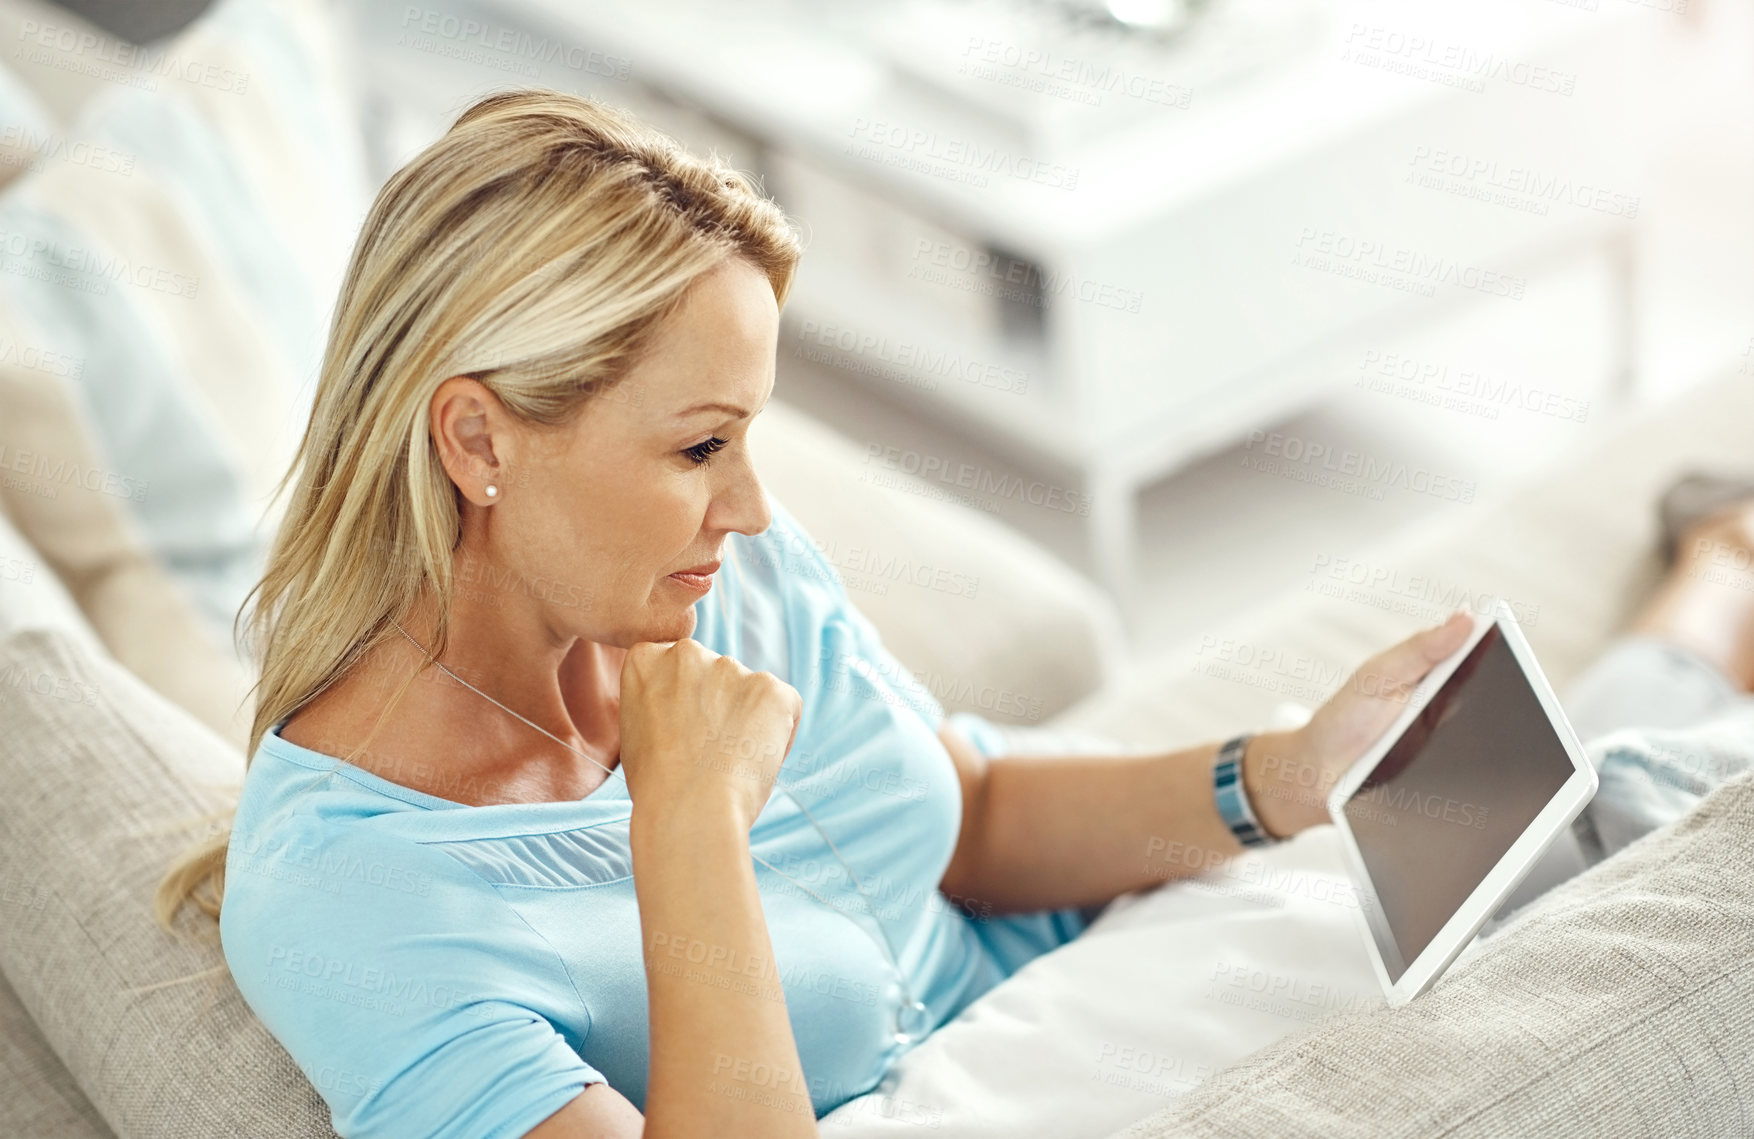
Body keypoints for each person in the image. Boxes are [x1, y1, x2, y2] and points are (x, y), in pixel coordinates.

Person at [149, 86, 1751, 1139]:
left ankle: (1704, 596)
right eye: (699, 448)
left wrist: (1281, 774)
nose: (756, 513)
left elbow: (968, 815)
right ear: (478, 439)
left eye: (751, 435)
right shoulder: (347, 903)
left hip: (1141, 980)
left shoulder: (711, 575)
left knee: (1582, 825)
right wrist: (684, 820)